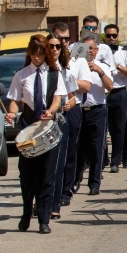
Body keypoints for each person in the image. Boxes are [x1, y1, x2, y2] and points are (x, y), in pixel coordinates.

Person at [5, 35, 67, 234]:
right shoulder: (21, 75)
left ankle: (44, 219)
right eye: (34, 54)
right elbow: (15, 100)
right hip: (28, 127)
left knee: (47, 175)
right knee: (27, 176)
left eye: (41, 54)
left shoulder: (55, 74)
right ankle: (26, 213)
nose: (37, 58)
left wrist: (52, 110)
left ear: (46, 54)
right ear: (29, 54)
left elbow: (58, 97)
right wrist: (12, 112)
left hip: (48, 127)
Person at [50, 23, 92, 211]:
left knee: (70, 150)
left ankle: (66, 190)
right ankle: (52, 192)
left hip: (71, 106)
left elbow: (87, 87)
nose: (64, 42)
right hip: (52, 108)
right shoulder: (49, 57)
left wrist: (68, 80)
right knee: (52, 152)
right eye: (60, 39)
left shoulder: (78, 60)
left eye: (67, 38)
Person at [45, 34, 79, 221]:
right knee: (40, 166)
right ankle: (41, 201)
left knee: (58, 164)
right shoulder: (38, 71)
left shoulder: (65, 72)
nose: (55, 50)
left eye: (58, 46)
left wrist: (69, 104)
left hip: (60, 120)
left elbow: (73, 97)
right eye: (51, 46)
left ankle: (54, 204)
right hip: (40, 122)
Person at [75, 36, 114, 196]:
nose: (88, 51)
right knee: (78, 148)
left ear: (96, 51)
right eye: (85, 48)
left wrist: (100, 71)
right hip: (78, 109)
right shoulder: (75, 65)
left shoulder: (102, 66)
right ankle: (75, 180)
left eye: (91, 48)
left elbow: (110, 86)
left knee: (96, 148)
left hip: (96, 110)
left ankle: (94, 183)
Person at [103, 24, 127, 173]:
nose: (111, 39)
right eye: (108, 36)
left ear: (118, 36)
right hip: (102, 93)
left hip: (119, 92)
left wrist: (117, 66)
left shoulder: (125, 52)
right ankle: (103, 159)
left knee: (118, 128)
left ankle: (116, 160)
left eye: (114, 36)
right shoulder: (100, 51)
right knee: (102, 129)